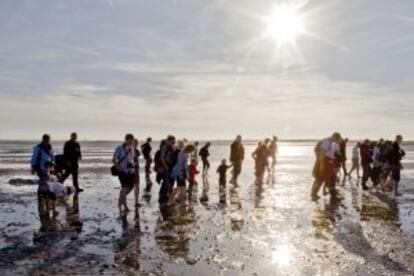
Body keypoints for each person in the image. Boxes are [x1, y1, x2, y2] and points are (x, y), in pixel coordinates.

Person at [311, 132, 342, 200]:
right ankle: (313, 194)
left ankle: (319, 192)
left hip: (327, 162)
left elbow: (330, 153)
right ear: (334, 137)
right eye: (337, 139)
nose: (336, 141)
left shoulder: (331, 143)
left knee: (325, 178)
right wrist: (321, 164)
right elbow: (322, 152)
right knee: (319, 179)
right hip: (323, 162)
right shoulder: (326, 141)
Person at [113, 134, 137, 214]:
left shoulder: (132, 148)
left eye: (132, 140)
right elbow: (114, 159)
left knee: (131, 187)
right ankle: (125, 205)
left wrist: (133, 166)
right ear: (126, 139)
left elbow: (131, 159)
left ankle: (121, 198)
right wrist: (117, 167)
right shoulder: (119, 148)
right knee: (124, 187)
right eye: (129, 140)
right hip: (122, 171)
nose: (131, 142)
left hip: (131, 171)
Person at [31, 134, 55, 213]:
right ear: (43, 139)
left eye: (48, 140)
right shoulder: (38, 147)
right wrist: (33, 167)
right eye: (46, 140)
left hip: (48, 167)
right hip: (40, 168)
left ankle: (45, 197)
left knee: (46, 182)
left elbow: (52, 156)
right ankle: (40, 196)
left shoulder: (49, 147)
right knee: (42, 182)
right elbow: (34, 157)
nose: (48, 141)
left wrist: (53, 165)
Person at [158, 135, 176, 204]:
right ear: (169, 140)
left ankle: (169, 195)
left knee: (172, 181)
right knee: (166, 181)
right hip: (167, 166)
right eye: (173, 140)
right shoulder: (165, 147)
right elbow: (161, 157)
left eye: (174, 140)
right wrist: (166, 166)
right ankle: (162, 196)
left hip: (173, 167)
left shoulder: (173, 147)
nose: (174, 142)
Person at [132, 139, 142, 207]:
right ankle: (124, 203)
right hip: (130, 171)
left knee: (137, 186)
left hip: (136, 170)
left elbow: (136, 159)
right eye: (135, 143)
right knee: (127, 187)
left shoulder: (137, 151)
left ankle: (136, 201)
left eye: (137, 143)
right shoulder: (129, 151)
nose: (136, 144)